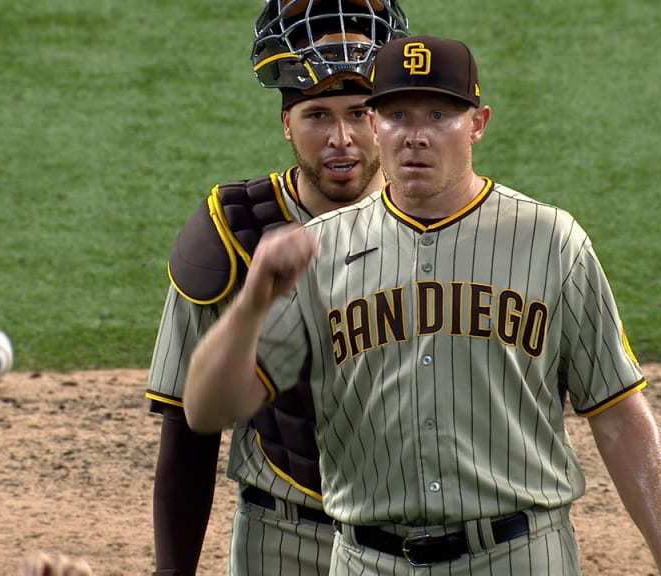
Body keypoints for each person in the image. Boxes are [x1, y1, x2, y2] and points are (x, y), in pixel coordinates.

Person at [183, 34, 661, 576]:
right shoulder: (322, 249)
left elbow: (618, 414)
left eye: (438, 115)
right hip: (366, 560)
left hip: (520, 556)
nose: (416, 136)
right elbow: (209, 410)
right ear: (375, 127)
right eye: (397, 114)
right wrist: (254, 299)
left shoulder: (552, 242)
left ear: (478, 123)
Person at [144, 2, 408, 575]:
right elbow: (189, 433)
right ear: (286, 122)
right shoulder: (231, 232)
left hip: (417, 538)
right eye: (317, 116)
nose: (342, 139)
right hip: (283, 539)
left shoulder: (451, 225)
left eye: (360, 113)